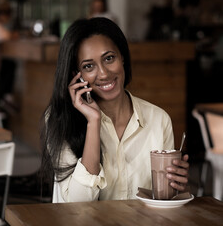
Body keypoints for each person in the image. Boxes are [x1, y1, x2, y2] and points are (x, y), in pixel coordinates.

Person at [40, 17, 189, 203]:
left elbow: (162, 200)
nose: (103, 73)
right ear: (76, 76)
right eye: (88, 66)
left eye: (109, 58)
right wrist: (93, 123)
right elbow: (76, 207)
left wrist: (175, 186)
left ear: (123, 58)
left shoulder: (158, 119)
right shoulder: (61, 119)